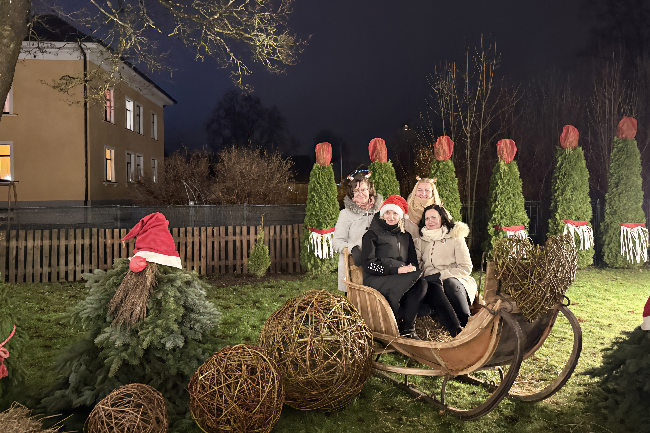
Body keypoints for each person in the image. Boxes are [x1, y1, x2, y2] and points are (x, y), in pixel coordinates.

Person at [360, 195, 426, 339]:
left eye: (395, 213)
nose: (391, 217)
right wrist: (396, 269)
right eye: (387, 213)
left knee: (421, 282)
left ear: (400, 216)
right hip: (377, 277)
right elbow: (368, 265)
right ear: (382, 214)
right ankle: (405, 328)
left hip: (399, 277)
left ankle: (407, 329)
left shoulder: (406, 236)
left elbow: (413, 262)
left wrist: (411, 269)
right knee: (419, 283)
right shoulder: (371, 235)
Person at [415, 204, 477, 337]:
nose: (430, 221)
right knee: (430, 288)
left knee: (449, 283)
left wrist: (441, 275)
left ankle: (468, 325)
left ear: (442, 219)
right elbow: (418, 266)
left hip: (456, 280)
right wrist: (429, 276)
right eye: (427, 218)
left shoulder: (455, 237)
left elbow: (466, 267)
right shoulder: (421, 241)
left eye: (434, 217)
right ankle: (456, 332)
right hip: (431, 282)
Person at [332, 172, 383, 293]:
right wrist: (353, 249)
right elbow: (336, 242)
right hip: (353, 267)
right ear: (352, 193)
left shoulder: (381, 211)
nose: (361, 193)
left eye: (364, 189)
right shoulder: (345, 214)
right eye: (356, 190)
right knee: (355, 299)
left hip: (377, 264)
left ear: (370, 190)